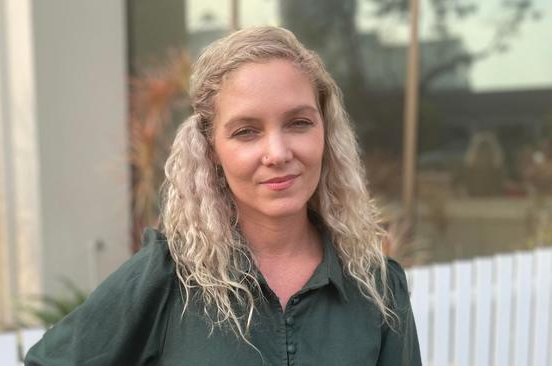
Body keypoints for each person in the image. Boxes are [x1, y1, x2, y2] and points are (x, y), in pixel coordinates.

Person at [25, 26, 421, 366]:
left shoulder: (377, 286)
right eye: (246, 131)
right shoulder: (167, 277)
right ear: (211, 149)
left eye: (299, 123)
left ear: (325, 132)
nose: (278, 153)